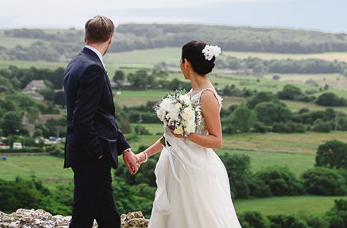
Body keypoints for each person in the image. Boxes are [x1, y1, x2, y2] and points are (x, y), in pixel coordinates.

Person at [130, 40, 241, 228]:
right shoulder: (190, 94)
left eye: (180, 61)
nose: (180, 65)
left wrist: (186, 136)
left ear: (186, 63)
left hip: (195, 170)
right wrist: (143, 155)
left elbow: (217, 140)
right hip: (177, 166)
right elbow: (172, 136)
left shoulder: (207, 95)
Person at [63, 15, 139, 228]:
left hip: (87, 154)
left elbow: (102, 115)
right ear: (111, 39)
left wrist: (124, 148)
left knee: (109, 219)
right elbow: (81, 119)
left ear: (85, 37)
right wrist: (98, 151)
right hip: (92, 156)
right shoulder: (93, 68)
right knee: (82, 218)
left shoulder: (76, 62)